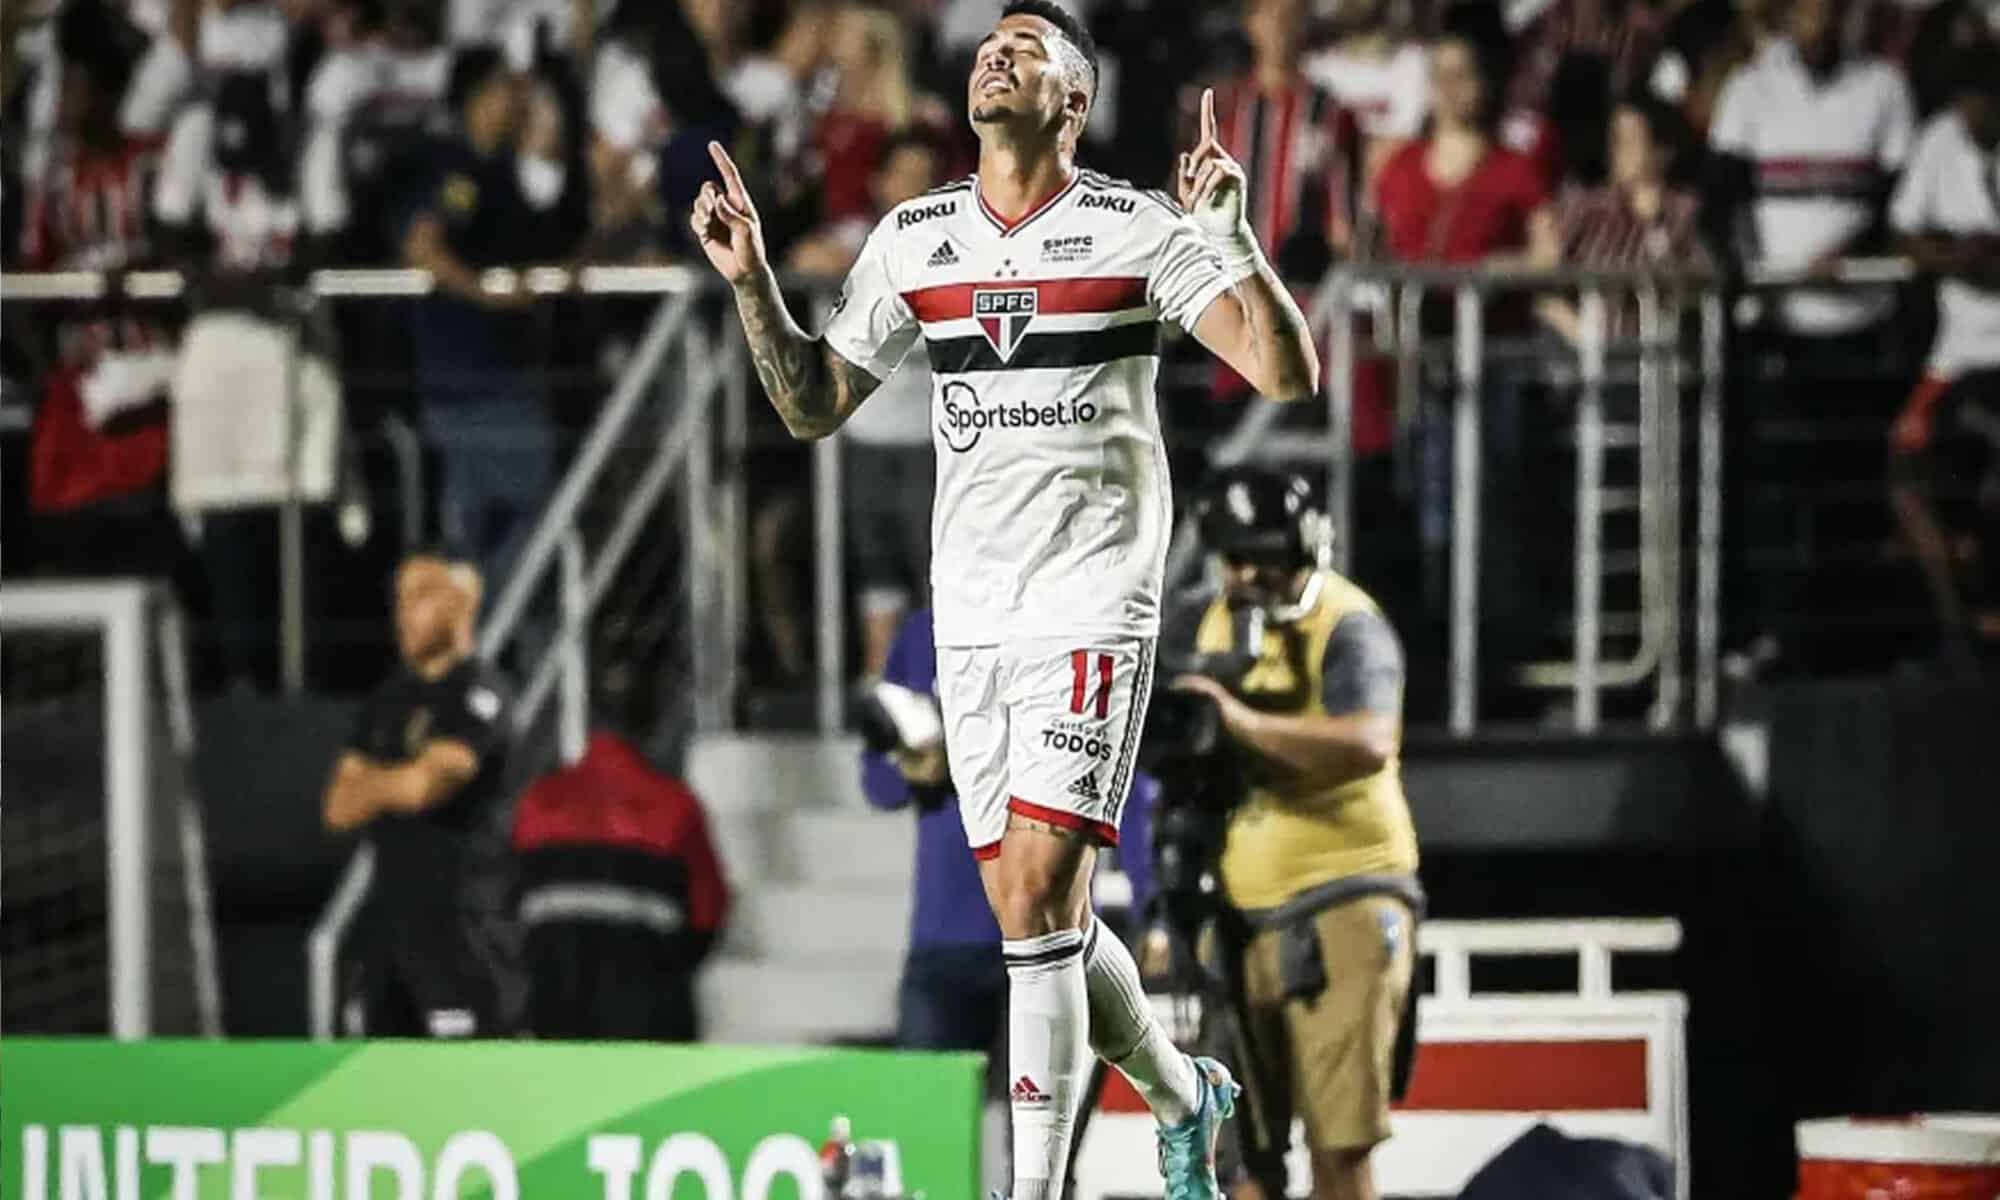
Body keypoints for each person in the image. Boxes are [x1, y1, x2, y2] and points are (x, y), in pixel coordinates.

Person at [689, 2, 1322, 1194]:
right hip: (969, 617)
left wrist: (1234, 241)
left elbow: (1283, 373)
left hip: (1093, 600)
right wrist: (753, 283)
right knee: (1037, 925)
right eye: (992, 42)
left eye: (1027, 50)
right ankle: (1186, 1093)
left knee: (1037, 901)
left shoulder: (1132, 226)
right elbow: (811, 402)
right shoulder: (915, 236)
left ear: (1071, 103)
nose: (995, 52)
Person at [1171, 467, 1419, 1200]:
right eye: (1236, 559)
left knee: (1339, 1147)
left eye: (1267, 558)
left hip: (1343, 894)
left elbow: (1370, 740)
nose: (1251, 576)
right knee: (1238, 1150)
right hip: (1238, 913)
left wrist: (1237, 722)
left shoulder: (1347, 623)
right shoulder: (1199, 621)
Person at [1704, 0, 1916, 674]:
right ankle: (1774, 637)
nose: (1818, 23)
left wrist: (1845, 248)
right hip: (1776, 323)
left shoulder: (1884, 87)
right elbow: (1722, 195)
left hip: (1859, 320)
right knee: (1775, 486)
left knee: (1852, 484)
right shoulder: (1750, 87)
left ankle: (1853, 647)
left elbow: (1896, 193)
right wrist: (1755, 283)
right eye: (1807, 12)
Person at [863, 605, 1159, 1056]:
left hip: (1050, 932)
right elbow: (878, 783)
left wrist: (1150, 907)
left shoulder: (1077, 625)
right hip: (945, 935)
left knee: (1045, 1123)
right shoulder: (927, 629)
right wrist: (915, 769)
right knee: (927, 1115)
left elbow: (1126, 781)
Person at [400, 45, 582, 591]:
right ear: (478, 99)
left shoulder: (504, 171)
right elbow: (423, 245)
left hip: (498, 377)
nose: (517, 100)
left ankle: (492, 653)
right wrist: (485, 294)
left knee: (503, 537)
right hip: (477, 383)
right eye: (506, 87)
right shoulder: (460, 170)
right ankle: (488, 648)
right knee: (509, 534)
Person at [322, 551, 514, 1037]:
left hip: (461, 930)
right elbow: (338, 807)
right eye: (401, 598)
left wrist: (378, 783)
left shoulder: (478, 692)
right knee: (384, 1082)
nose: (405, 612)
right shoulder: (388, 699)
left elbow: (427, 788)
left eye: (423, 596)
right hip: (391, 928)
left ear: (464, 602)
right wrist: (400, 782)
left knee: (463, 1085)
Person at [511, 693, 730, 1041]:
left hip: (555, 1011)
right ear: (649, 732)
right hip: (650, 1018)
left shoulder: (538, 801)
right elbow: (709, 912)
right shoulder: (678, 806)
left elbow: (510, 904)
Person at [1887, 46, 2000, 670]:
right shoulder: (1939, 140)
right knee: (1904, 468)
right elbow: (1905, 231)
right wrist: (1957, 258)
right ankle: (1957, 629)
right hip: (1953, 356)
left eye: (1983, 103)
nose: (1971, 117)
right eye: (1963, 104)